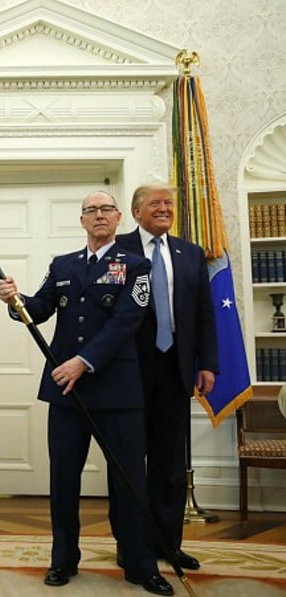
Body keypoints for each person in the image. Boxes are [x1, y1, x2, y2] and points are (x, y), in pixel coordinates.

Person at [0, 190, 174, 596]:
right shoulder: (62, 265)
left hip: (117, 391)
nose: (98, 216)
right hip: (65, 393)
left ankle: (139, 563)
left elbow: (126, 322)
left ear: (118, 219)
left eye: (106, 209)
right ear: (81, 220)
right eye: (90, 210)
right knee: (63, 479)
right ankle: (63, 559)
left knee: (129, 480)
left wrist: (83, 361)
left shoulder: (136, 265)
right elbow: (38, 308)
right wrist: (13, 300)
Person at [115, 183, 218, 571]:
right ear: (136, 210)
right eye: (155, 203)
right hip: (126, 370)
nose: (164, 208)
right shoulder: (118, 249)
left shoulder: (190, 254)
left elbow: (204, 313)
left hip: (175, 368)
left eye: (169, 203)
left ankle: (167, 544)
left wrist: (207, 363)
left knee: (169, 463)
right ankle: (130, 546)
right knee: (128, 463)